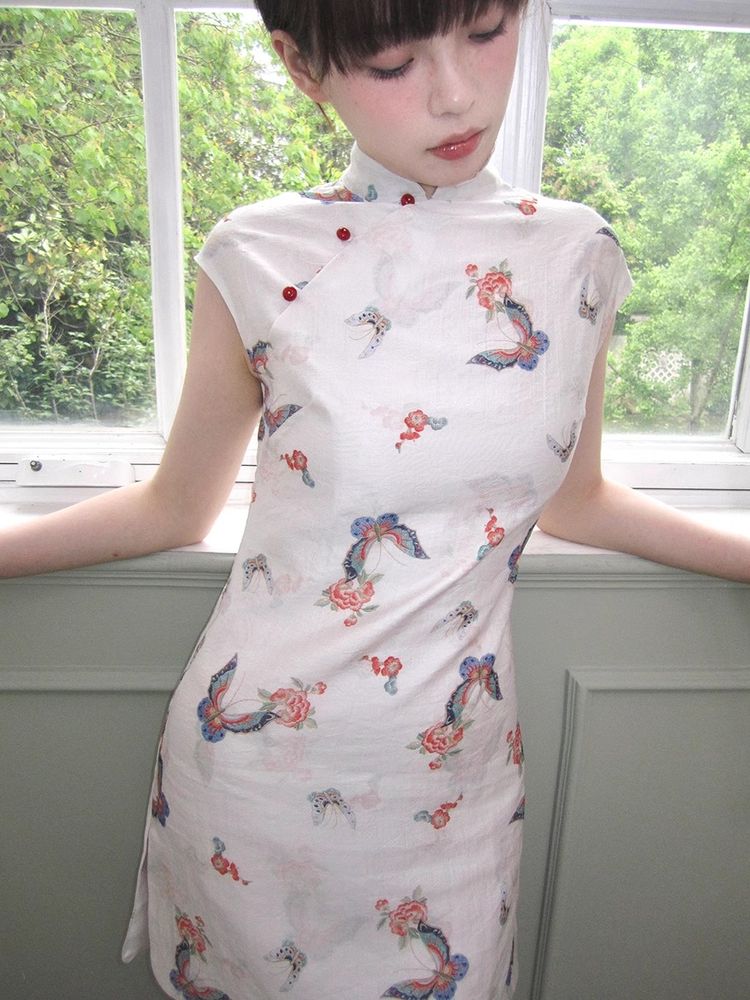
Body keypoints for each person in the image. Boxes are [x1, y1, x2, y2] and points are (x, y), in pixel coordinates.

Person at [2, 1, 749, 997]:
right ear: (300, 65)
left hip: (453, 793)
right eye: (395, 63)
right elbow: (172, 509)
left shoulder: (576, 255)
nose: (457, 94)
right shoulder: (258, 254)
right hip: (256, 790)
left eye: (486, 32)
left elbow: (578, 500)